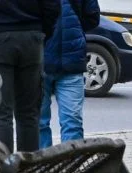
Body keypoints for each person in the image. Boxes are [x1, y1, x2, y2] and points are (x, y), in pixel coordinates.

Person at [0, 0, 61, 153]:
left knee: (1, 114)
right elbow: (52, 6)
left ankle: (4, 169)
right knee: (29, 114)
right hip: (31, 38)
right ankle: (28, 170)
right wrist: (41, 31)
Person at [39, 0, 100, 149]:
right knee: (65, 122)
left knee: (62, 122)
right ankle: (45, 167)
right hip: (42, 63)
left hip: (67, 64)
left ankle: (68, 166)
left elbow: (92, 17)